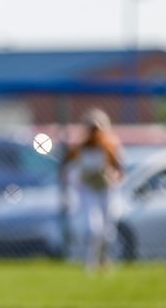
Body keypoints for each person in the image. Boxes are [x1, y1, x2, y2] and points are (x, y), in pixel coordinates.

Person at [62, 108, 125, 272]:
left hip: (105, 190)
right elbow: (68, 167)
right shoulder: (80, 149)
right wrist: (76, 181)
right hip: (89, 191)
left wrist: (112, 178)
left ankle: (105, 260)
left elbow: (119, 170)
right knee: (93, 228)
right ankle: (91, 263)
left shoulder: (108, 147)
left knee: (108, 231)